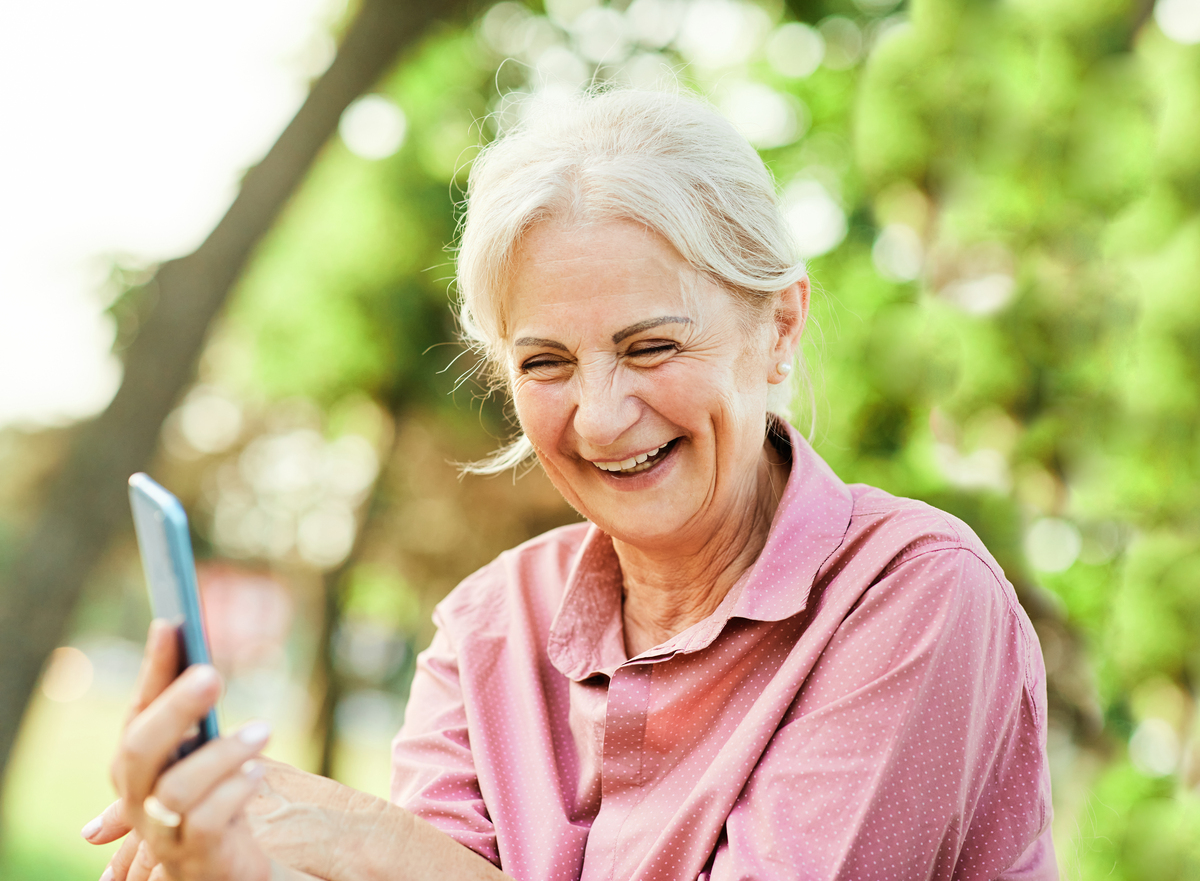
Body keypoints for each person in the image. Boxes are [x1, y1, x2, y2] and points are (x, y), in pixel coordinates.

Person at [86, 89, 1056, 881]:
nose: (599, 415)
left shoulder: (915, 595)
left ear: (780, 328)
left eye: (651, 346)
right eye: (546, 361)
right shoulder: (487, 630)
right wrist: (235, 864)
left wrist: (364, 839)